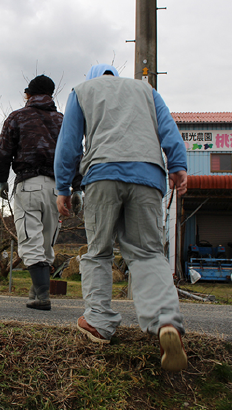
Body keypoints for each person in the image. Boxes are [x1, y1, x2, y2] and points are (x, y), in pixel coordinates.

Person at [54, 63, 188, 372]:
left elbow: (69, 143)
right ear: (115, 76)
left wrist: (63, 187)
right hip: (148, 174)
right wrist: (178, 165)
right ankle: (165, 320)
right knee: (147, 253)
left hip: (102, 175)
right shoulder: (146, 90)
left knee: (98, 251)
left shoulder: (82, 91)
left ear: (93, 80)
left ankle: (99, 322)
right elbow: (168, 129)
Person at [0, 75, 82, 311]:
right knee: (46, 242)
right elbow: (74, 154)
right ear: (51, 95)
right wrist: (77, 187)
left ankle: (42, 295)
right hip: (57, 189)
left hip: (28, 184)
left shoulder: (17, 117)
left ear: (28, 94)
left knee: (30, 239)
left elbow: (3, 151)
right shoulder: (63, 120)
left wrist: (2, 180)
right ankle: (37, 291)